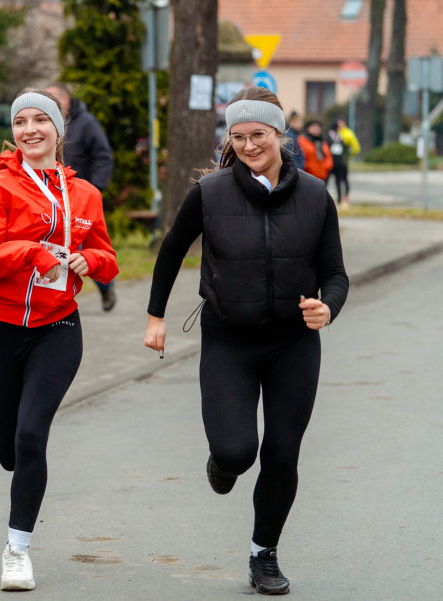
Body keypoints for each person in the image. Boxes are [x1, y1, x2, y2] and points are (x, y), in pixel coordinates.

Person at [143, 86, 348, 595]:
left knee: (282, 453)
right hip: (228, 340)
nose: (250, 145)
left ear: (280, 134)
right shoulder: (210, 194)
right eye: (239, 137)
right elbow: (171, 251)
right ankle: (223, 461)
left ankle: (264, 555)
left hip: (293, 343)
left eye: (259, 134)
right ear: (229, 141)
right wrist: (155, 317)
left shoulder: (316, 196)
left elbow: (336, 274)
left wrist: (329, 307)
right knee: (238, 452)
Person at [0, 89, 119, 591]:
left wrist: (87, 262)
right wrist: (29, 250)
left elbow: (109, 259)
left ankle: (17, 550)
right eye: (21, 121)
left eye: (40, 121)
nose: (30, 129)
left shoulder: (85, 195)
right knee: (11, 452)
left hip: (58, 328)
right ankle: (20, 479)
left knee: (32, 437)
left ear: (58, 129)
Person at [46, 82, 117, 311]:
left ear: (67, 101)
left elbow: (104, 156)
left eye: (56, 100)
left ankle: (106, 289)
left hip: (79, 200)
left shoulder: (86, 123)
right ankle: (51, 297)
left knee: (86, 250)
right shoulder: (44, 125)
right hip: (51, 199)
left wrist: (95, 190)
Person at [327, 120, 350, 208]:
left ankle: (339, 200)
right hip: (331, 162)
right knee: (327, 182)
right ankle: (324, 198)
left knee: (338, 182)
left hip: (339, 162)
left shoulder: (340, 137)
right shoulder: (329, 136)